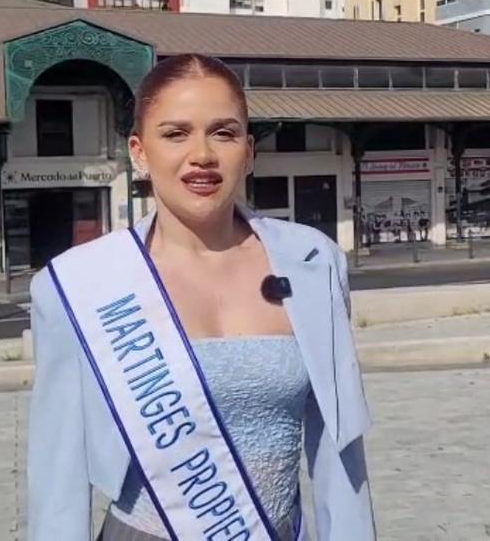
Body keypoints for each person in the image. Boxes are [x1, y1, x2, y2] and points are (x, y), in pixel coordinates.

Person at [28, 54, 374, 541]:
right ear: (139, 151)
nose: (203, 155)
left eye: (224, 132)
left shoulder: (314, 263)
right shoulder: (80, 285)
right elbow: (56, 473)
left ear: (248, 151)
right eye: (175, 133)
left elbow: (340, 447)